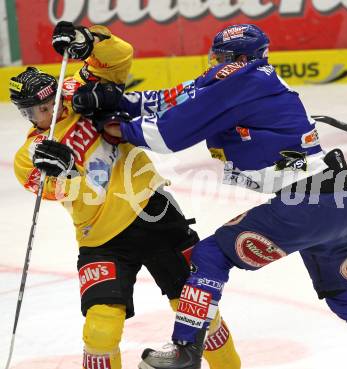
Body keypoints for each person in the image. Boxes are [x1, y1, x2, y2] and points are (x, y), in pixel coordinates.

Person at [84, 24, 347, 369]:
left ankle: (186, 350)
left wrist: (116, 125)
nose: (212, 63)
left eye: (219, 57)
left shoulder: (240, 82)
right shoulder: (251, 79)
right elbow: (180, 96)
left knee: (211, 254)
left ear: (238, 59)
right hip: (339, 202)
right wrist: (120, 101)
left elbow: (166, 135)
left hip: (303, 205)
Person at [11, 22, 241, 369]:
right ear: (26, 113)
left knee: (199, 313)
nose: (50, 112)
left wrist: (89, 41)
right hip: (102, 238)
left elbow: (119, 58)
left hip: (153, 212)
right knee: (100, 331)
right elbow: (73, 194)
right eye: (38, 111)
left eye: (50, 103)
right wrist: (69, 173)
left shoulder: (78, 92)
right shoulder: (30, 156)